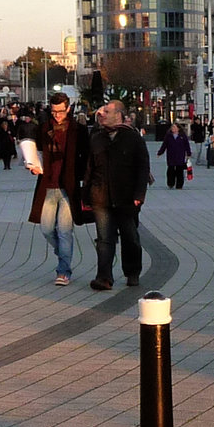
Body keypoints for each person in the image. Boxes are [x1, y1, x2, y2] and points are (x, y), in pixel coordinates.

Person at [26, 91, 88, 285]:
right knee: (45, 228)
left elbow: (85, 158)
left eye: (61, 111)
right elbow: (37, 154)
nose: (57, 115)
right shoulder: (44, 128)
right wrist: (33, 166)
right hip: (48, 185)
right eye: (54, 111)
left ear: (68, 109)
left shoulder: (78, 130)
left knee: (64, 231)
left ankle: (64, 271)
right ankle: (63, 252)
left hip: (68, 187)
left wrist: (82, 180)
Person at [89, 99, 150, 289]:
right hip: (101, 197)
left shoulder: (132, 138)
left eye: (107, 111)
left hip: (127, 198)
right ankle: (104, 277)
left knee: (130, 237)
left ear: (119, 115)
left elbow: (143, 168)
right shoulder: (97, 136)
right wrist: (87, 193)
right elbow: (89, 167)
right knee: (104, 239)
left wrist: (139, 194)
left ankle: (132, 272)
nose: (103, 114)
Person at [158, 120, 192, 191]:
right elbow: (164, 145)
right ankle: (170, 183)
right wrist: (160, 152)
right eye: (172, 127)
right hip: (171, 155)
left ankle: (179, 185)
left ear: (178, 128)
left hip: (180, 155)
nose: (173, 128)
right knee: (170, 170)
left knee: (179, 171)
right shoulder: (168, 136)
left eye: (174, 127)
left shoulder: (182, 136)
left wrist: (188, 153)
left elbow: (187, 145)